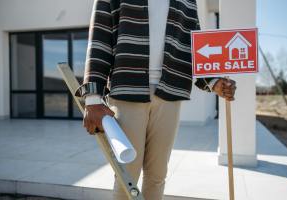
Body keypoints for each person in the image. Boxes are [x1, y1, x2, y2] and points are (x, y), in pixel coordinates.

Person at [75, 0, 236, 199]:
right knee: (127, 177)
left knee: (158, 175)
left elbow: (193, 42)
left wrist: (213, 81)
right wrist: (92, 99)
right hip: (127, 90)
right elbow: (100, 36)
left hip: (170, 91)